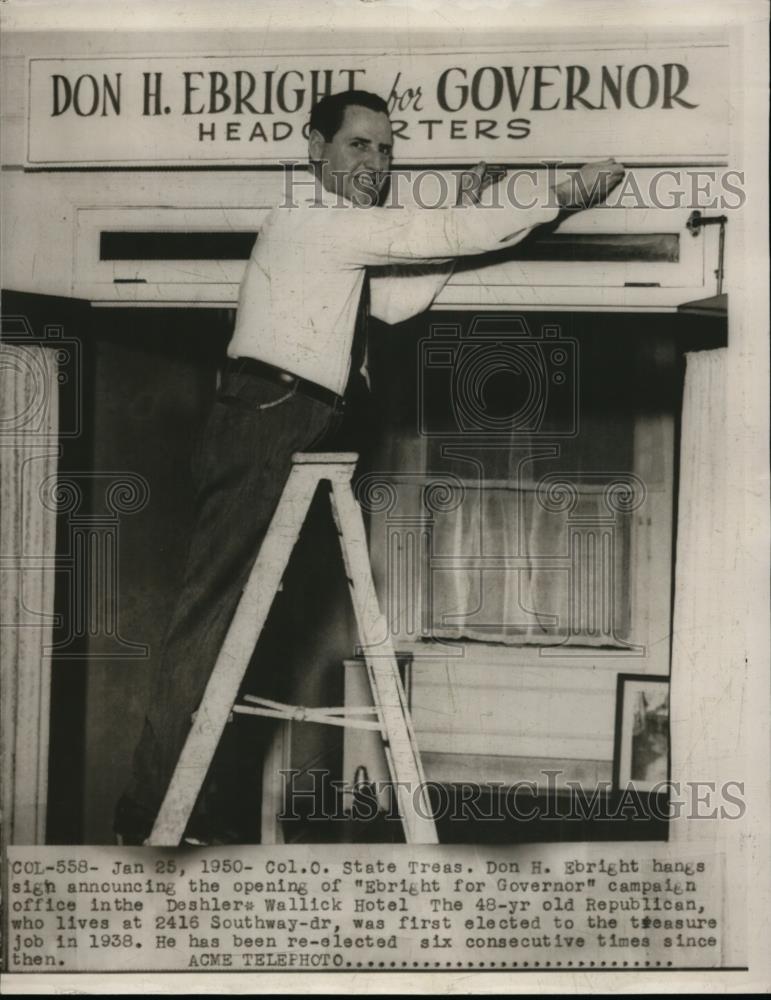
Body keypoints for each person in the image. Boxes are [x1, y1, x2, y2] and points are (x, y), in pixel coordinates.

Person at [114, 88, 624, 844]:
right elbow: (434, 232)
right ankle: (148, 818)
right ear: (315, 149)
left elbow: (394, 305)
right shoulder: (311, 221)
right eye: (359, 146)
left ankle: (175, 812)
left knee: (230, 631)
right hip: (268, 415)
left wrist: (473, 216)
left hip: (289, 418)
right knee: (211, 622)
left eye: (386, 151)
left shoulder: (337, 242)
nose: (375, 164)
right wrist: (558, 192)